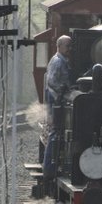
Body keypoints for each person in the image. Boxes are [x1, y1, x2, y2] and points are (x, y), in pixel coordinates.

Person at [43, 35, 72, 179]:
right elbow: (52, 81)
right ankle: (49, 169)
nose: (69, 49)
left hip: (57, 99)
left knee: (57, 133)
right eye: (67, 46)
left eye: (70, 46)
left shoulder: (62, 61)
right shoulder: (57, 62)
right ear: (59, 46)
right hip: (56, 100)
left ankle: (51, 167)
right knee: (55, 133)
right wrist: (65, 91)